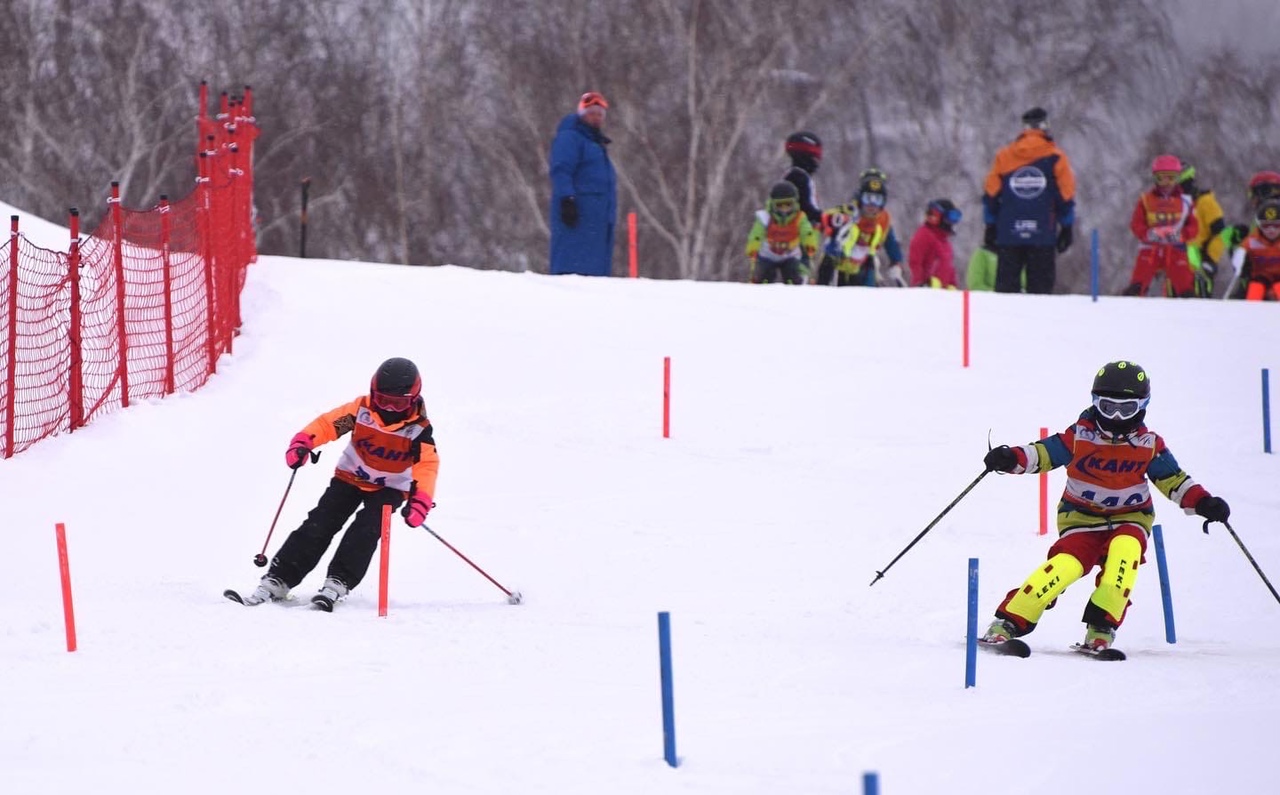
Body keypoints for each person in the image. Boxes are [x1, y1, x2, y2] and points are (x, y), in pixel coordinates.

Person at [981, 361, 1230, 652]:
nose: (1115, 416)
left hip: (1130, 517)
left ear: (1143, 406)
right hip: (1080, 519)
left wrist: (1202, 502)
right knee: (1063, 568)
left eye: (1126, 409)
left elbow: (1173, 480)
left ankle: (1101, 627)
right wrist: (1011, 458)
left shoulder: (1148, 444)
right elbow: (1044, 452)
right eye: (1107, 406)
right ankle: (1008, 622)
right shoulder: (1080, 436)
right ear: (1094, 402)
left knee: (1125, 555)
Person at [242, 357, 440, 610]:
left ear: (413, 400)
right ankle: (279, 579)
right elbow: (328, 425)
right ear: (372, 394)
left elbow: (427, 466)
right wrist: (304, 442)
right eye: (383, 401)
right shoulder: (361, 412)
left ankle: (338, 581)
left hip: (390, 488)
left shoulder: (418, 430)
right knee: (320, 522)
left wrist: (420, 500)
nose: (389, 409)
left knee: (366, 529)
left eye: (398, 403)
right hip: (350, 477)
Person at [982, 107, 1077, 294]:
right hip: (1043, 234)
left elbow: (991, 194)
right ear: (1045, 126)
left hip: (1009, 234)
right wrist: (1066, 227)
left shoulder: (1004, 156)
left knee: (1005, 296)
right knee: (1040, 296)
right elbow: (1066, 196)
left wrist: (990, 225)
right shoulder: (1057, 158)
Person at [549, 91, 618, 276]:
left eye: (599, 114)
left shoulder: (596, 146)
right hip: (578, 217)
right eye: (591, 112)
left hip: (597, 222)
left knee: (594, 274)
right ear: (581, 114)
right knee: (573, 271)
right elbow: (561, 169)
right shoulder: (570, 138)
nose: (595, 117)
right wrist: (567, 199)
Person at [1123, 155, 1199, 297]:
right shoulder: (1146, 200)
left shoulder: (1186, 201)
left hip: (1175, 248)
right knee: (1137, 285)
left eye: (1171, 178)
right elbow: (1136, 223)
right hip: (1151, 248)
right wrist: (1147, 234)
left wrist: (1181, 235)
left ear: (1178, 180)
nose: (1166, 184)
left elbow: (1194, 226)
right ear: (1155, 179)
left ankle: (1190, 310)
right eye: (1161, 178)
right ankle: (1130, 306)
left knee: (1186, 288)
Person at [816, 169, 907, 287]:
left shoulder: (883, 220)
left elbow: (891, 242)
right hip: (837, 267)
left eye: (877, 200)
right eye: (868, 198)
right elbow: (826, 220)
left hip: (863, 265)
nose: (872, 205)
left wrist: (896, 262)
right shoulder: (850, 213)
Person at [745, 181, 818, 284]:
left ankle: (794, 293)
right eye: (780, 205)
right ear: (773, 205)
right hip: (768, 255)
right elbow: (756, 234)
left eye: (788, 205)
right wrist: (753, 248)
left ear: (795, 204)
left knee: (793, 276)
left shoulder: (799, 218)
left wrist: (809, 244)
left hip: (790, 255)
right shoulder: (765, 217)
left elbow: (806, 231)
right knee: (764, 278)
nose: (784, 209)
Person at [1175, 163, 1227, 297]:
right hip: (1176, 266)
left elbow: (1220, 233)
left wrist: (1210, 259)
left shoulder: (1205, 202)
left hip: (1199, 266)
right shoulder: (1172, 206)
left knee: (1199, 308)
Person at [1233, 200, 1280, 301]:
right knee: (1255, 288)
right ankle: (1252, 312)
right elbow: (1241, 251)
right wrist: (1240, 259)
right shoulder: (1253, 240)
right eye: (1266, 226)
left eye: (1276, 225)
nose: (1271, 230)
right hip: (1260, 278)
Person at [908, 199, 961, 288]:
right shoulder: (924, 235)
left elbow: (949, 267)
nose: (952, 223)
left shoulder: (945, 242)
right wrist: (920, 283)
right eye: (950, 217)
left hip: (943, 293)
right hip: (927, 291)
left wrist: (952, 284)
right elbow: (915, 262)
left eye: (955, 218)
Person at [782, 131, 824, 227]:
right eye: (815, 159)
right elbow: (805, 208)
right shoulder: (799, 177)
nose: (817, 164)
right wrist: (824, 218)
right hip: (799, 235)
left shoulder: (793, 175)